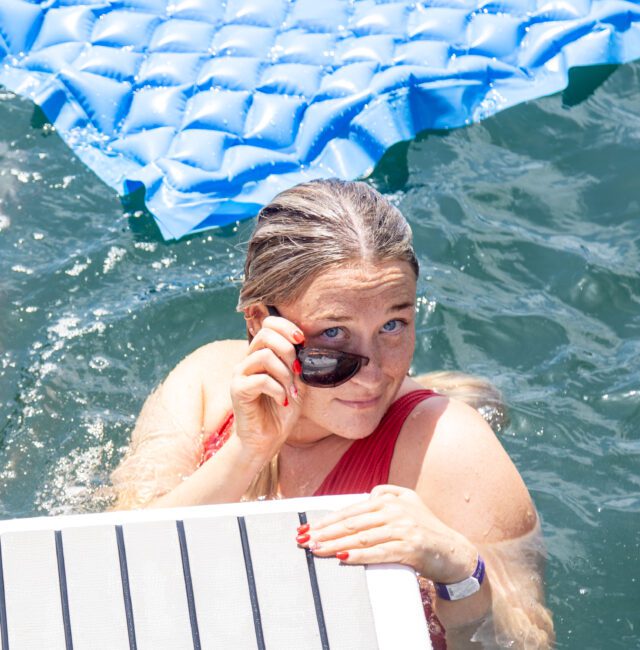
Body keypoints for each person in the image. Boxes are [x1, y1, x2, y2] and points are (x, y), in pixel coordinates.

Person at [111, 179, 554, 648]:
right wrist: (245, 453)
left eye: (392, 324)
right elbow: (114, 569)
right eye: (335, 333)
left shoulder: (448, 448)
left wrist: (458, 570)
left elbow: (527, 640)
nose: (374, 374)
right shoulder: (205, 384)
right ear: (262, 322)